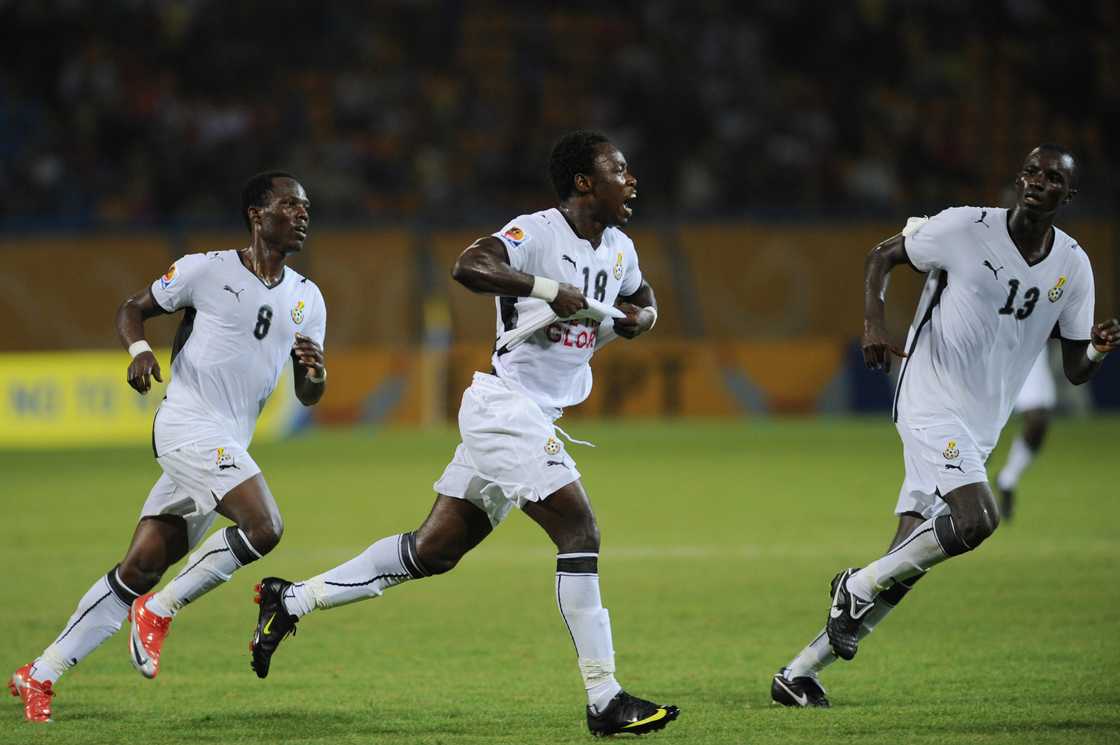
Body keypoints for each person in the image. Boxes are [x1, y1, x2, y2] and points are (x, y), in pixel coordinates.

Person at [246, 131, 679, 736]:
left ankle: (288, 600)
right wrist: (549, 290)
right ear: (585, 182)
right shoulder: (537, 232)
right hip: (506, 410)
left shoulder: (620, 249)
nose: (631, 181)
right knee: (580, 530)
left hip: (529, 415)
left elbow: (641, 294)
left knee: (433, 550)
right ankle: (604, 698)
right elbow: (469, 266)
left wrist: (646, 316)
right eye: (620, 170)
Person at [770, 145, 1120, 708]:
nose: (1037, 181)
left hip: (983, 422)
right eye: (1031, 170)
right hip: (928, 397)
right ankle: (853, 585)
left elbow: (1076, 369)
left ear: (1068, 195)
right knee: (978, 519)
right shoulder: (964, 227)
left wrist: (1099, 349)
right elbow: (882, 255)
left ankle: (800, 672)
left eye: (1052, 178)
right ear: (1019, 176)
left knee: (906, 559)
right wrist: (872, 324)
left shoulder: (1073, 266)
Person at [9, 172, 327, 723]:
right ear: (257, 213)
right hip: (185, 424)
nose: (302, 214)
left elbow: (309, 390)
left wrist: (316, 375)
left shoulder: (307, 297)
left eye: (305, 207)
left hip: (226, 443)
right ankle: (159, 611)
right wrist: (137, 348)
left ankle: (39, 673)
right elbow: (132, 306)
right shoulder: (205, 269)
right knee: (265, 526)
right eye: (289, 205)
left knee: (139, 567)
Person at [994, 347, 1056, 520]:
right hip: (988, 346)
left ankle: (1007, 479)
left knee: (1038, 421)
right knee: (976, 427)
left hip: (1028, 343)